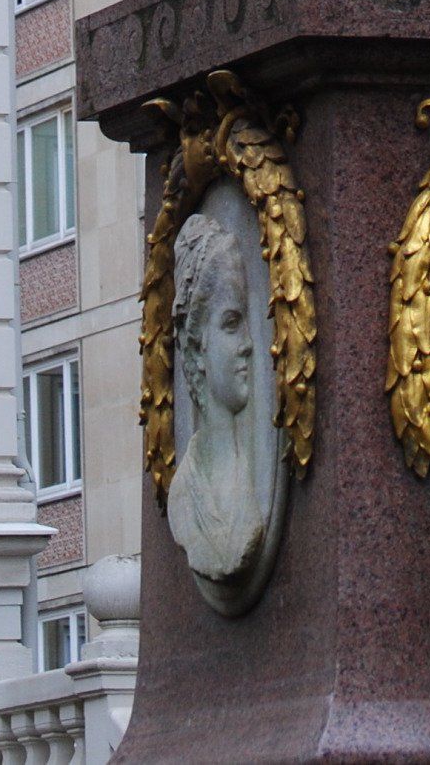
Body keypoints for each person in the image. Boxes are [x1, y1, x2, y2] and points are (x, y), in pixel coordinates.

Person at [166, 215, 280, 613]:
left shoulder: (252, 470)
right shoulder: (185, 496)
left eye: (245, 323)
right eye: (231, 324)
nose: (249, 343)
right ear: (197, 349)